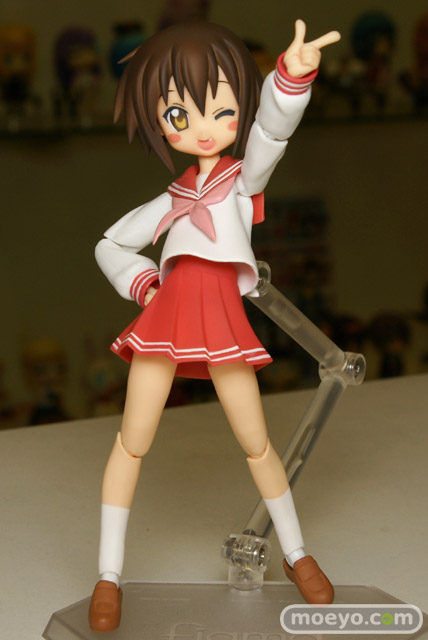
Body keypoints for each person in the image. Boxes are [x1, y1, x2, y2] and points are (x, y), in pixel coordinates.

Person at [89, 20, 341, 632]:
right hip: (166, 319)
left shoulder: (241, 181)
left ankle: (297, 553)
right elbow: (109, 244)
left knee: (257, 442)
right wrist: (144, 284)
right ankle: (108, 574)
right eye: (179, 114)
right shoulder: (171, 197)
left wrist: (291, 78)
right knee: (131, 441)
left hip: (223, 322)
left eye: (221, 109)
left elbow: (272, 132)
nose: (203, 127)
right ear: (159, 120)